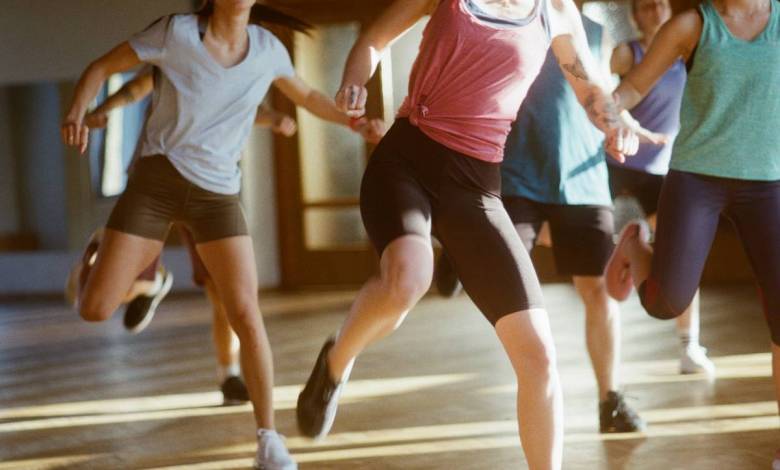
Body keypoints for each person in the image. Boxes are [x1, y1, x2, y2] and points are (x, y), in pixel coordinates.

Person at [295, 0, 657, 467]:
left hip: (477, 187)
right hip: (407, 161)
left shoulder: (554, 12)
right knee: (408, 279)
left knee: (539, 356)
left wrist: (616, 123)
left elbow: (591, 92)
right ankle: (334, 365)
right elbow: (373, 41)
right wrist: (353, 80)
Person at [61, 1, 378, 468]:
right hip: (156, 185)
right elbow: (102, 67)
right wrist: (78, 109)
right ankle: (100, 245)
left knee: (246, 313)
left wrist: (351, 121)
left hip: (218, 197)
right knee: (94, 309)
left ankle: (269, 440)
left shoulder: (268, 50)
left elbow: (309, 97)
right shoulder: (177, 34)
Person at [436, 2, 645, 433]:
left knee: (598, 291)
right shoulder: (506, 16)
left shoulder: (593, 30)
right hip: (516, 172)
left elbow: (606, 91)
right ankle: (458, 248)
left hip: (582, 179)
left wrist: (623, 127)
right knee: (506, 279)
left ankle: (611, 399)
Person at [605, 0, 780, 464]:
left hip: (769, 182)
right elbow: (632, 89)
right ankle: (635, 244)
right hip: (697, 178)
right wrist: (610, 114)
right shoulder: (692, 25)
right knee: (665, 302)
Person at [65, 67, 299, 405]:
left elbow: (246, 108)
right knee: (127, 290)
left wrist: (274, 118)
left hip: (207, 192)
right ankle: (152, 283)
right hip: (151, 189)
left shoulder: (225, 73)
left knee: (222, 296)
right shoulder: (172, 59)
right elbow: (135, 86)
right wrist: (100, 110)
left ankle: (228, 375)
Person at [609, 0, 715, 376]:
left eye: (659, 5)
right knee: (602, 253)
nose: (654, 11)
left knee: (682, 256)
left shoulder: (689, 47)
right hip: (620, 167)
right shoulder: (628, 53)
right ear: (635, 15)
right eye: (645, 7)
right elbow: (599, 85)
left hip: (665, 170)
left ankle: (690, 347)